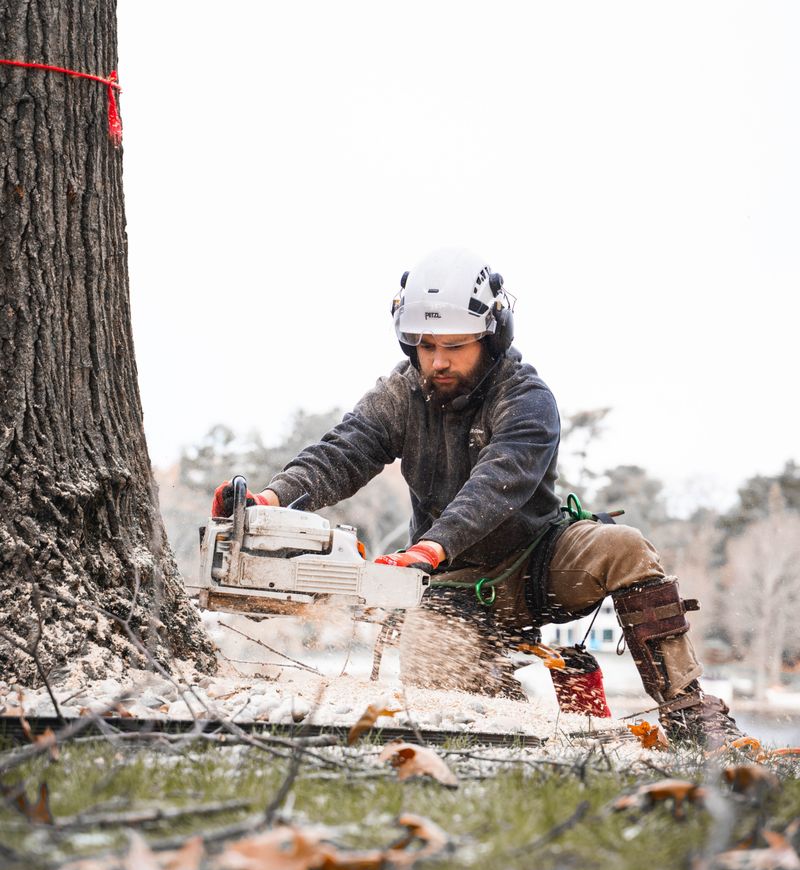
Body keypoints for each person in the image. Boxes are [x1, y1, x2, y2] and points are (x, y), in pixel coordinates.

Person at [212, 247, 744, 748]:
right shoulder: (400, 394)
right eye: (425, 346)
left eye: (453, 347)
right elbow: (345, 450)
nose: (437, 361)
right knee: (440, 685)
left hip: (540, 564)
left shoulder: (527, 398)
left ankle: (689, 710)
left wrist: (432, 545)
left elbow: (498, 483)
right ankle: (527, 724)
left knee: (624, 547)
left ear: (490, 337)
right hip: (450, 586)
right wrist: (273, 498)